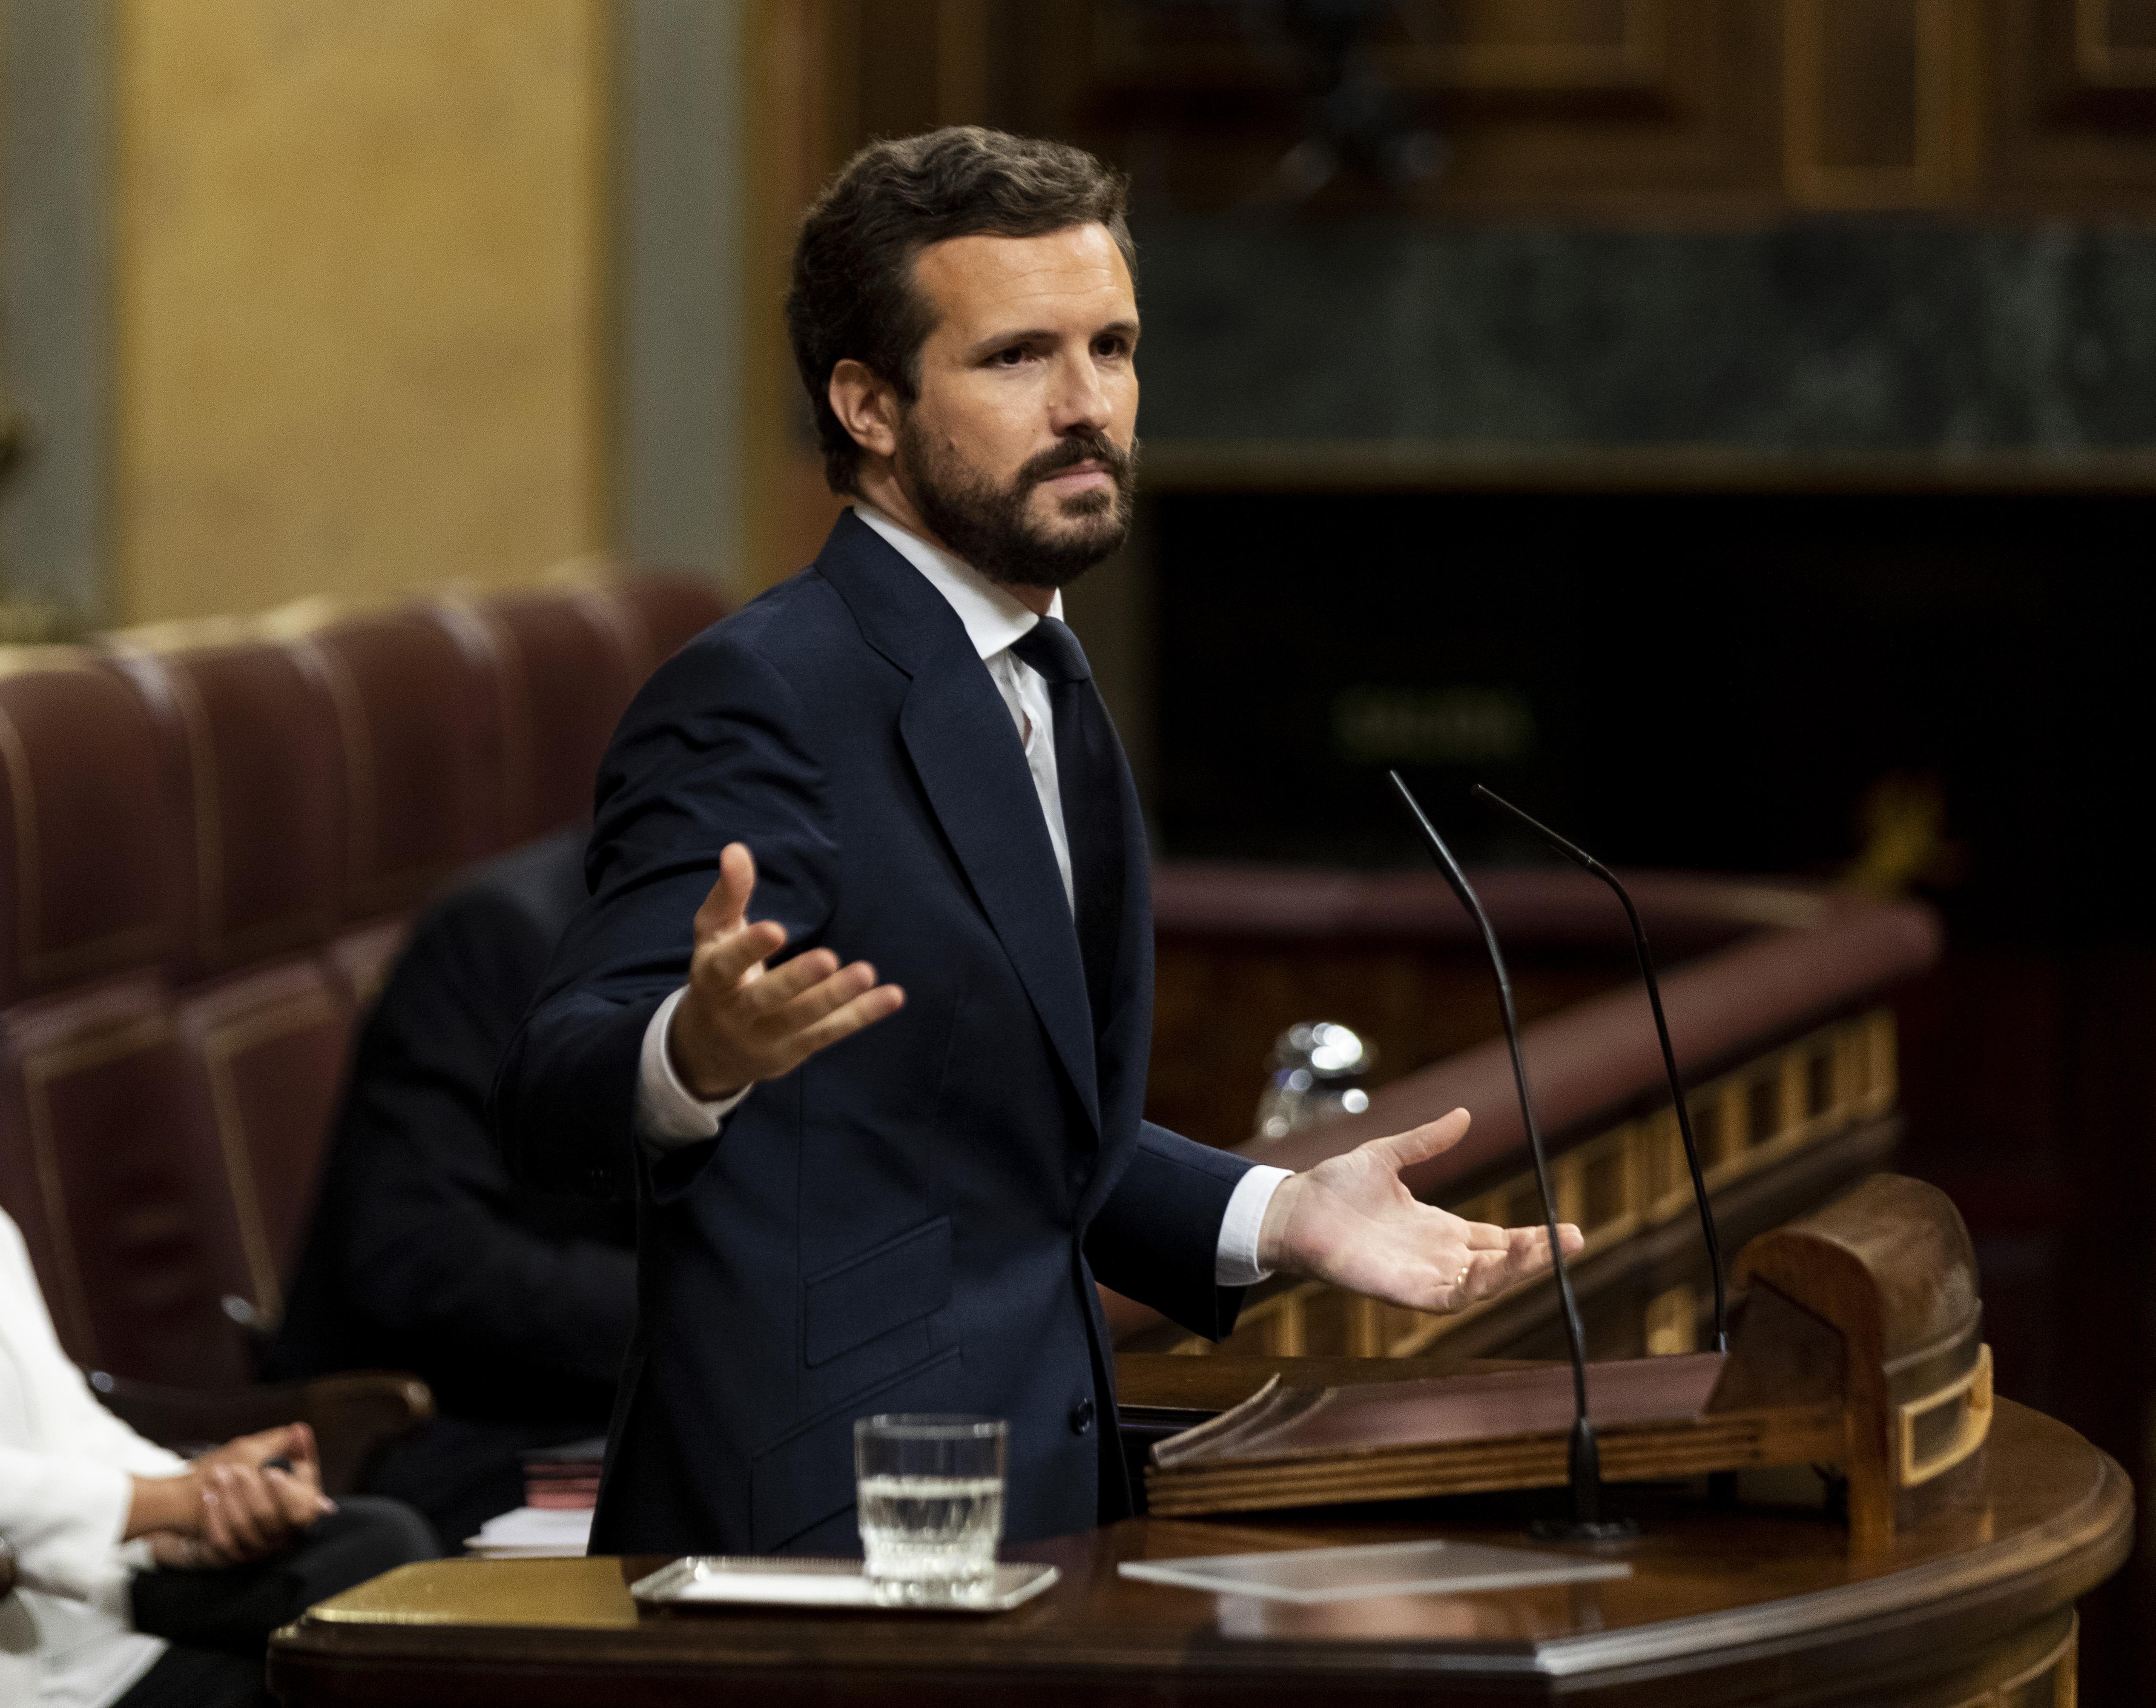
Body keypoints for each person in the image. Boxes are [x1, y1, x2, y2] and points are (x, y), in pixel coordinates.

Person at [492, 127, 1579, 1559]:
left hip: (1028, 1506)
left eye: (1112, 349)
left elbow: (993, 1137)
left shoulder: (1038, 676)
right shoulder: (765, 693)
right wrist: (692, 1054)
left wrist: (1281, 1211)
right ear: (868, 404)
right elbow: (557, 1083)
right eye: (1016, 358)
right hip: (819, 1552)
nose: (1087, 407)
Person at [0, 830, 435, 1708]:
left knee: (378, 1550)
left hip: (90, 1611)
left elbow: (64, 1417)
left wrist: (211, 1504)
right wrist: (166, 1499)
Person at [270, 827, 633, 1549]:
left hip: (638, 1413)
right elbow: (417, 1254)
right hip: (456, 1435)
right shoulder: (501, 934)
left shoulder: (839, 936)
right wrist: (707, 1311)